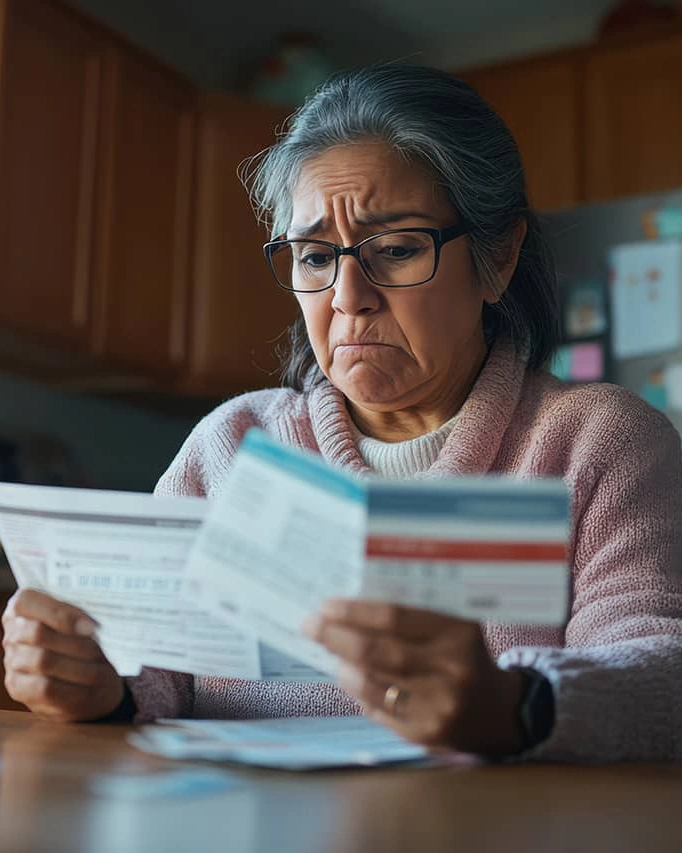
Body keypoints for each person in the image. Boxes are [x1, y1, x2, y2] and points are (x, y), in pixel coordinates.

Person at [2, 65, 681, 761]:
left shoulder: (596, 442)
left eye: (397, 249)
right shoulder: (232, 446)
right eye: (315, 256)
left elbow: (662, 671)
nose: (348, 297)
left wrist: (516, 704)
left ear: (499, 258)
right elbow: (152, 668)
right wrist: (92, 679)